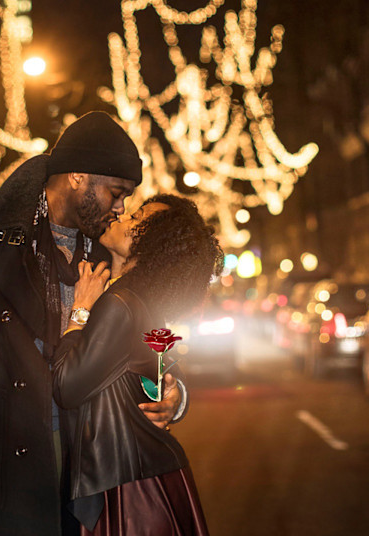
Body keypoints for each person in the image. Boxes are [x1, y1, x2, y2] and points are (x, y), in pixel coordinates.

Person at [0, 112, 188, 536]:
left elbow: (142, 337)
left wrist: (174, 390)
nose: (122, 207)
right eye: (117, 192)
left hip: (74, 461)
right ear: (78, 176)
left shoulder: (106, 249)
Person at [53, 194, 224, 536]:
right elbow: (160, 369)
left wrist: (80, 311)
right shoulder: (136, 298)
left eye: (138, 219)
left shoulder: (120, 302)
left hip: (123, 485)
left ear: (150, 246)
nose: (123, 215)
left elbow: (66, 386)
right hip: (142, 473)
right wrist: (175, 395)